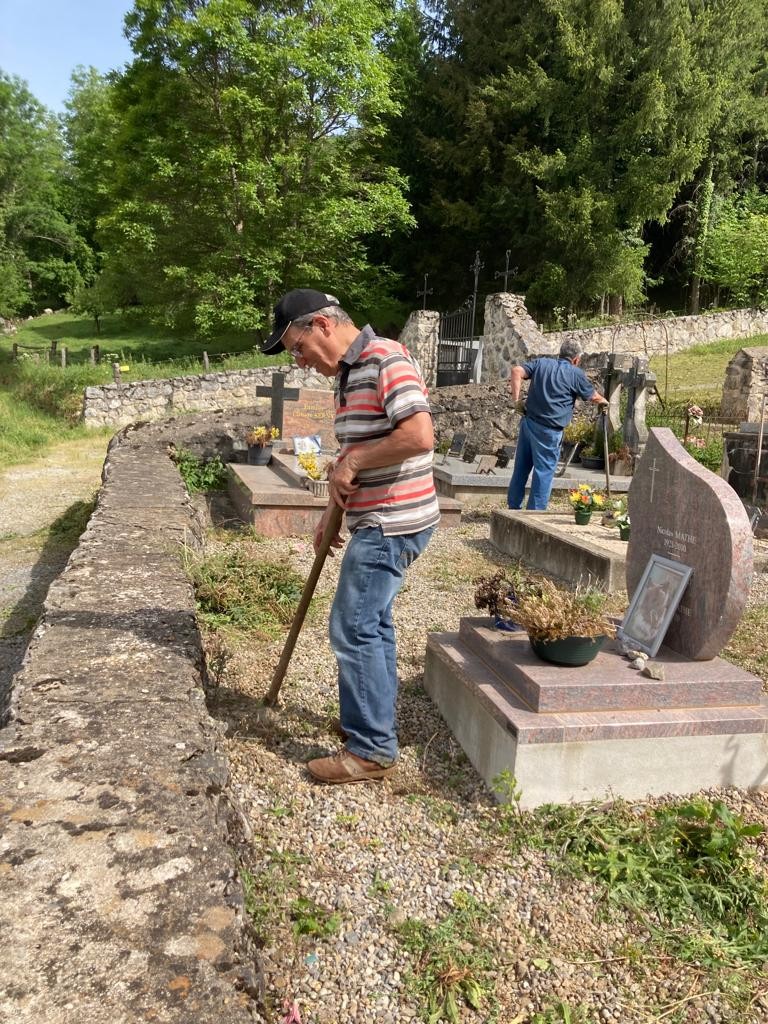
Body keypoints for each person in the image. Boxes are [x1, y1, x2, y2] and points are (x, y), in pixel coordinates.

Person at [260, 288, 440, 784]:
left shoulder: (385, 359)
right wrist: (330, 514)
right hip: (373, 516)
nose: (298, 362)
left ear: (321, 326)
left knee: (352, 626)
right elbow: (354, 453)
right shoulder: (346, 375)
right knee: (373, 624)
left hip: (392, 521)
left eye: (297, 348)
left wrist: (356, 461)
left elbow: (419, 435)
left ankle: (371, 750)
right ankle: (372, 722)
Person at [507, 339, 609, 510]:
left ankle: (513, 508)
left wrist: (517, 401)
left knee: (521, 468)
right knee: (543, 474)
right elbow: (593, 397)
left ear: (560, 353)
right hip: (549, 432)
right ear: (576, 359)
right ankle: (535, 515)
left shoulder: (542, 363)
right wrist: (604, 401)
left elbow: (516, 371)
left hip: (529, 423)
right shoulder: (575, 374)